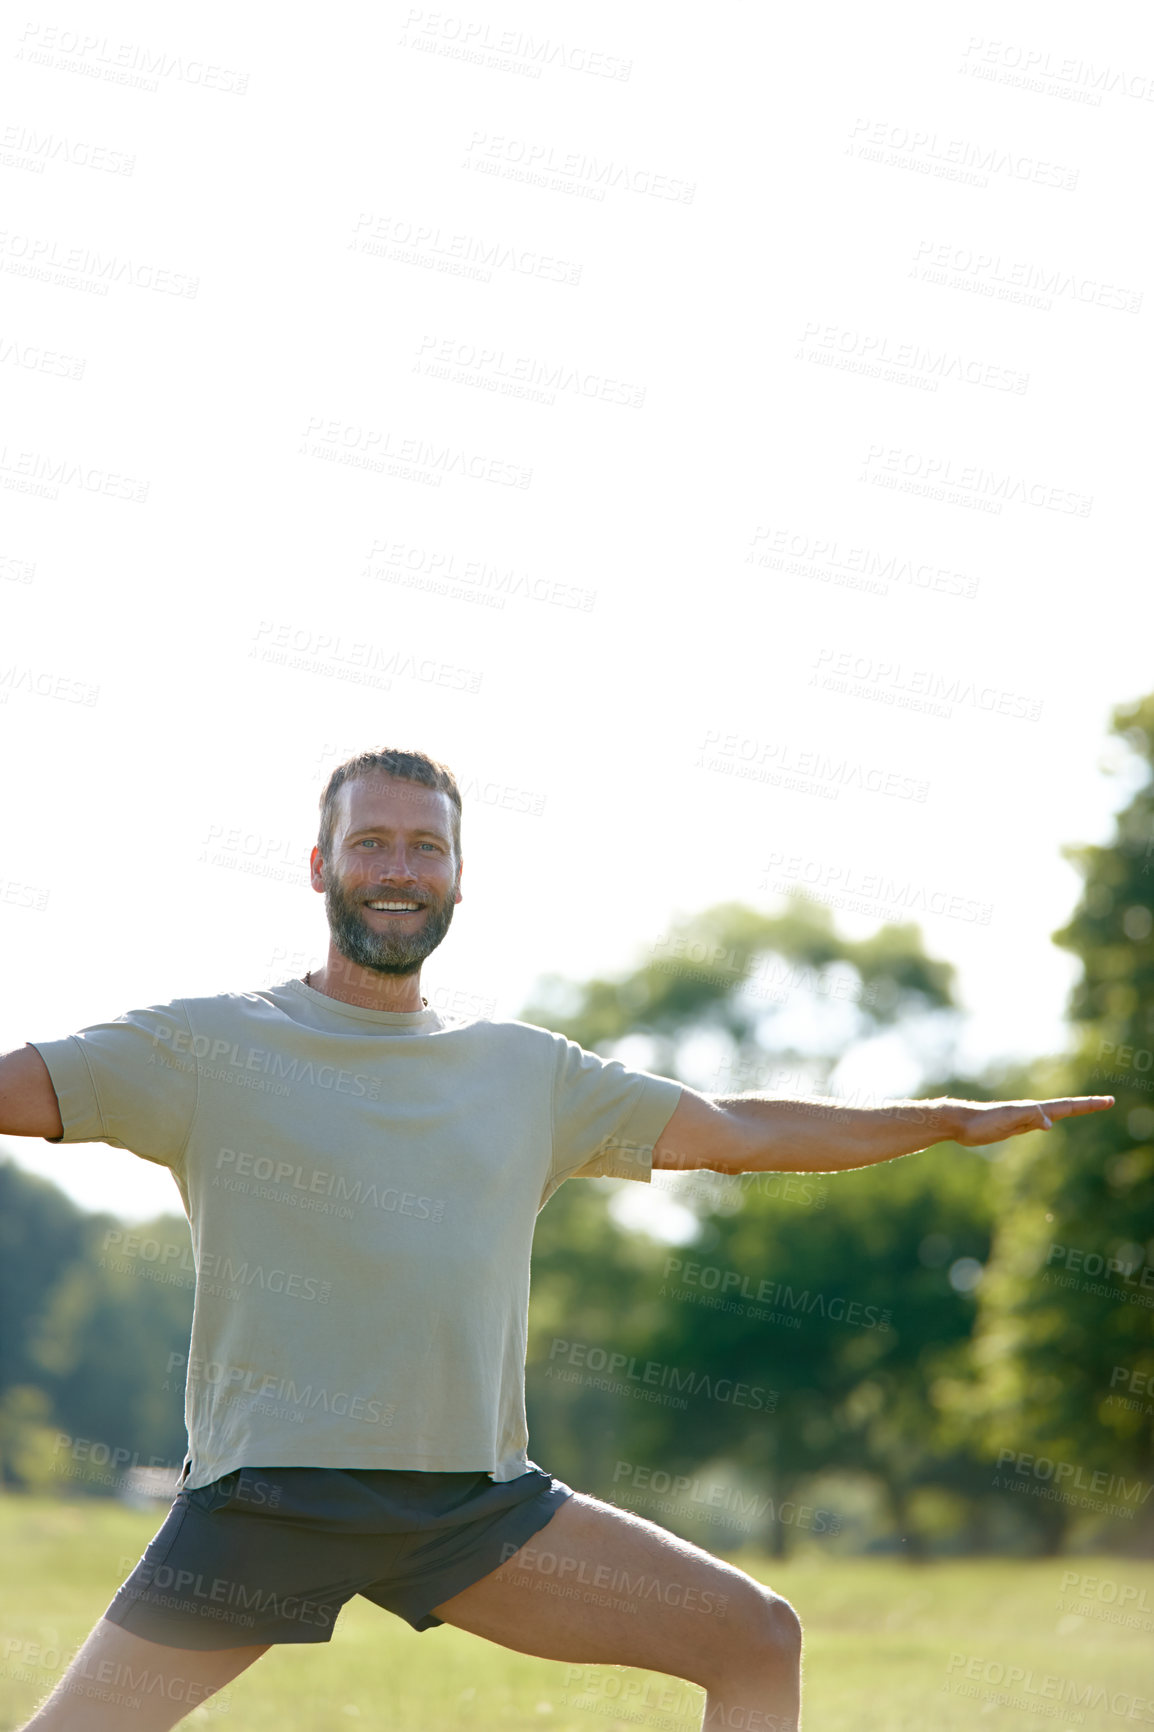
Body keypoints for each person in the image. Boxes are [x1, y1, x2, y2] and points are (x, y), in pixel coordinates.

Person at [0, 747, 1112, 1732]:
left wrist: (946, 1122)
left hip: (472, 1504)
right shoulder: (205, 1044)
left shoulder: (527, 1071)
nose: (399, 867)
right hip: (271, 1502)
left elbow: (732, 1129)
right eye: (371, 842)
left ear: (457, 875)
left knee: (755, 1636)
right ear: (318, 865)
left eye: (424, 846)